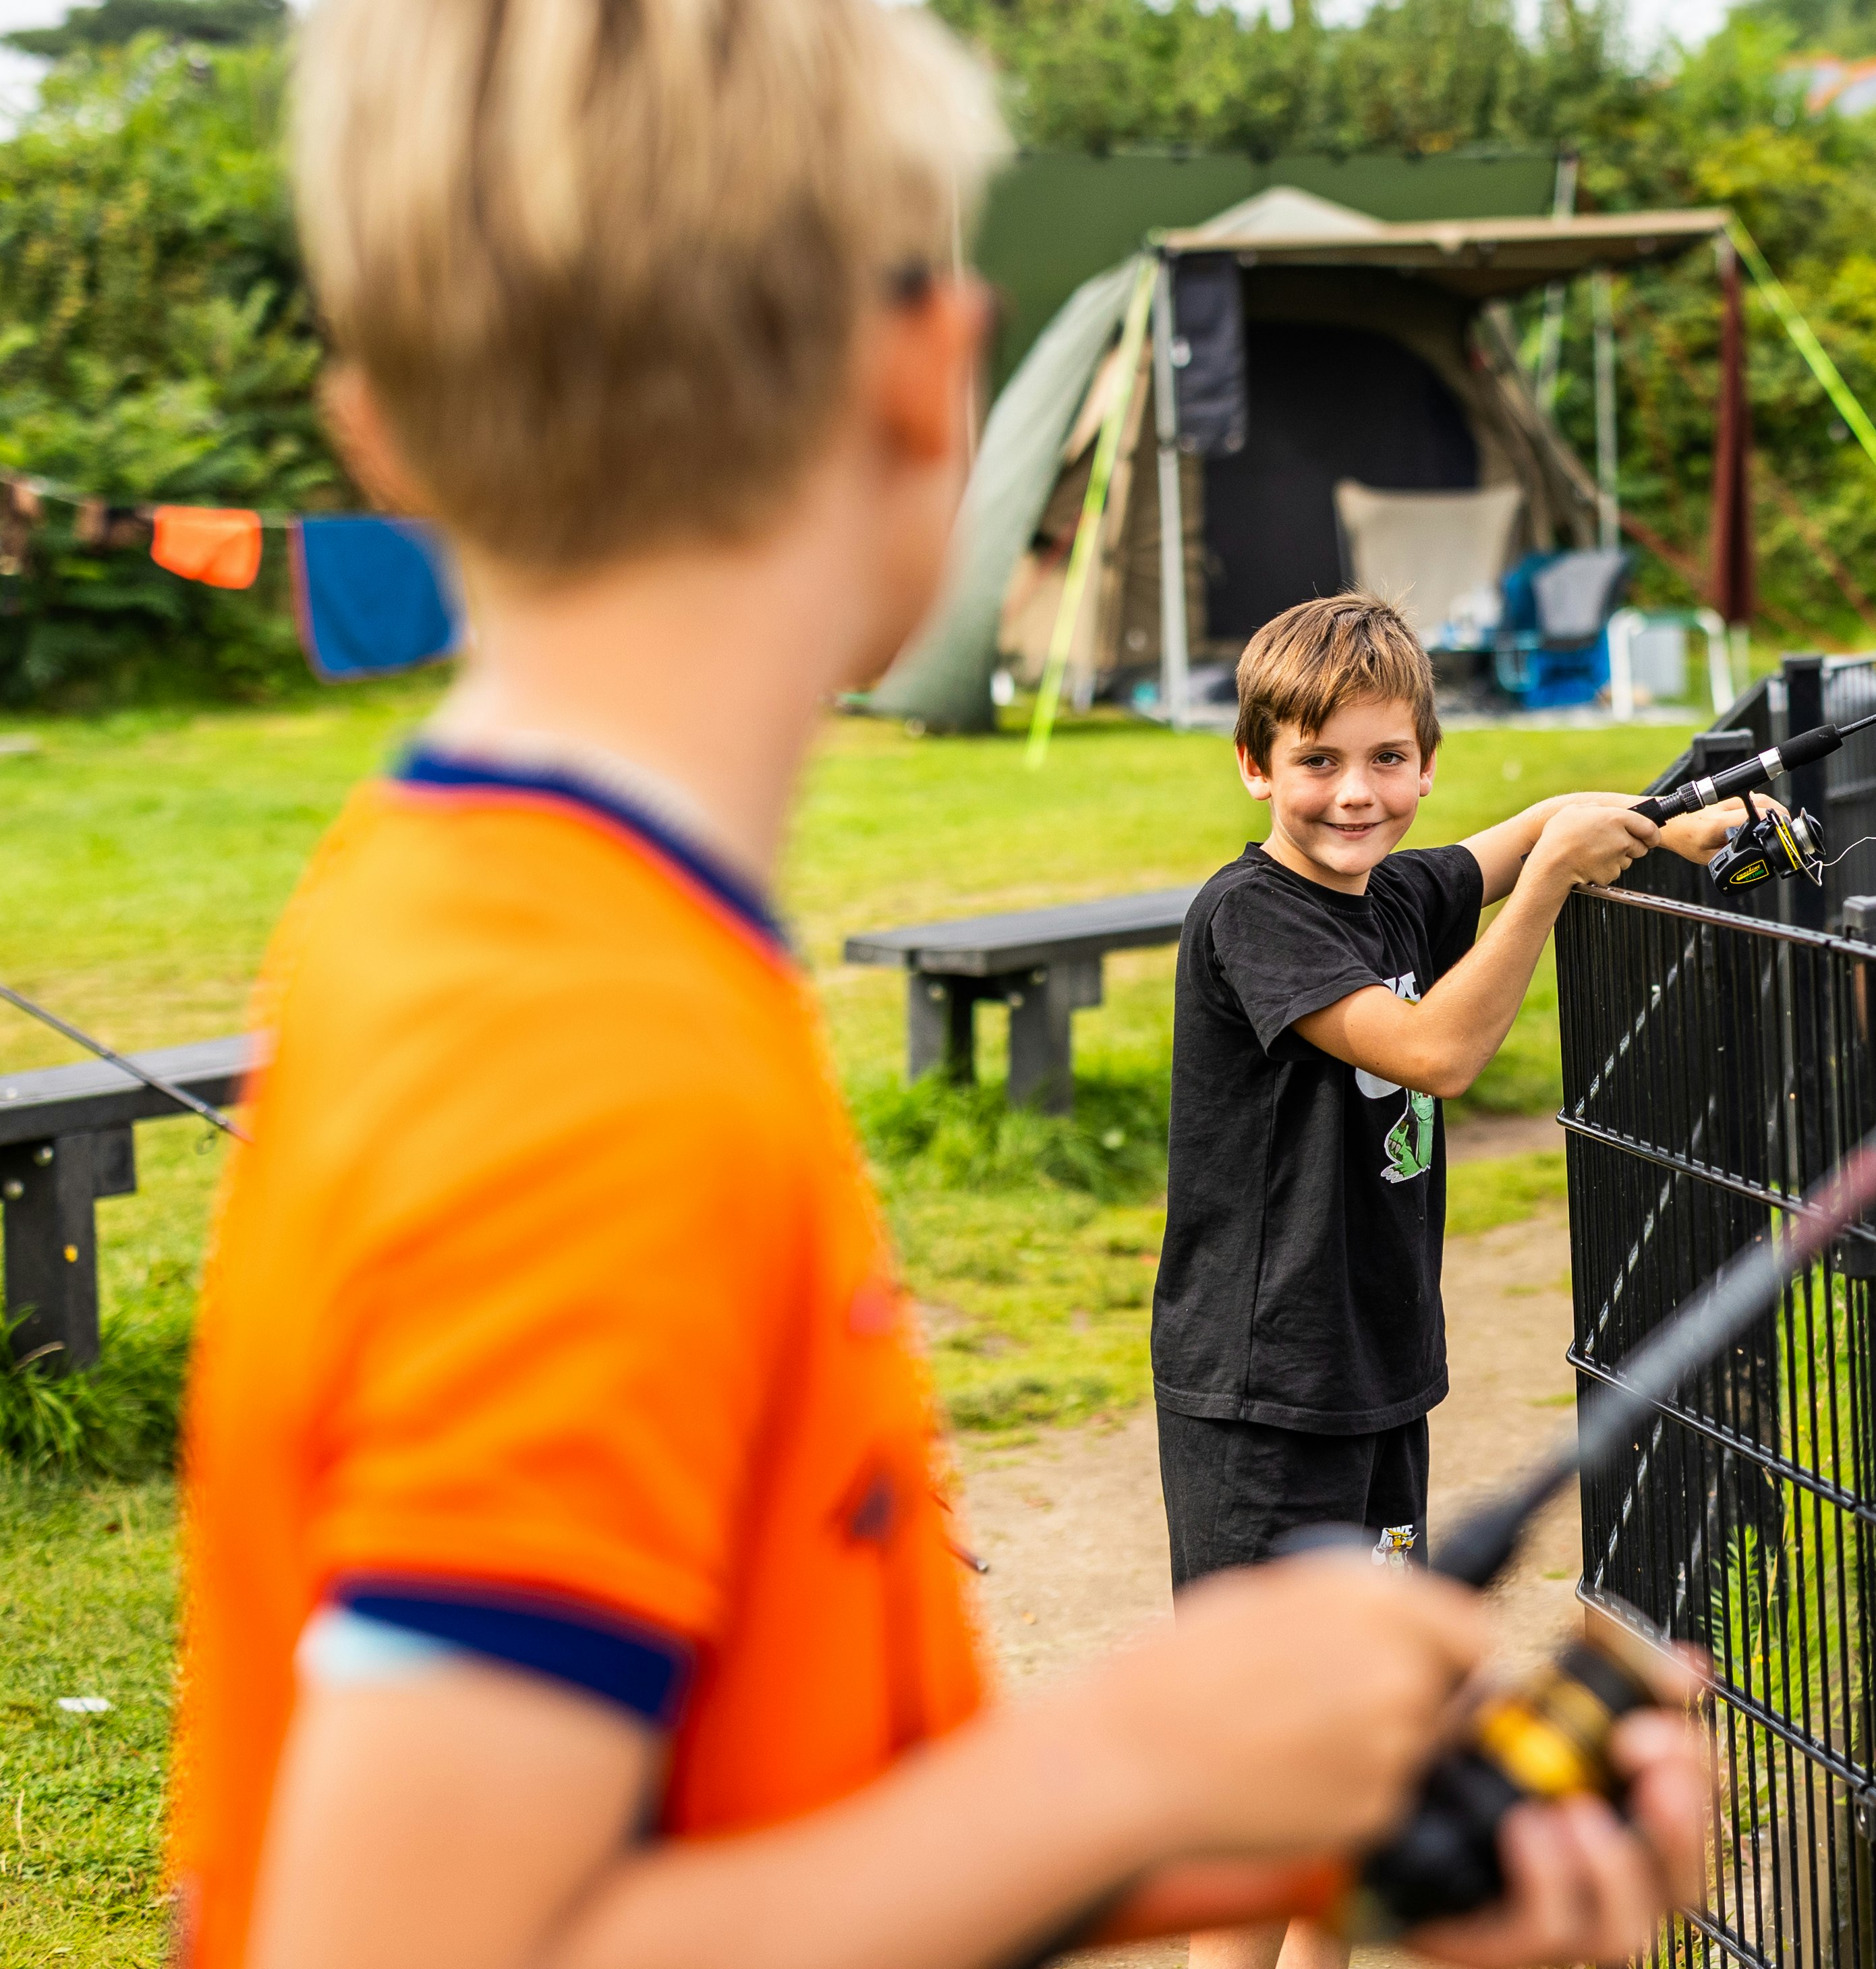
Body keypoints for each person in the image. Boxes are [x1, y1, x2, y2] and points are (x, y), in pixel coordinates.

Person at [170, 6, 1709, 1969]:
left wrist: (1290, 1839)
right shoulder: (578, 1065)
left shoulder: (498, 928)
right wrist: (1134, 1765)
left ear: (374, 422)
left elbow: (715, 1850)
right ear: (930, 387)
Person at [1156, 594, 1750, 1969]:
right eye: (1314, 762)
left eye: (1382, 760)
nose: (1351, 793)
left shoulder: (1401, 889)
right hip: (1264, 1397)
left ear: (1424, 764)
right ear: (1254, 765)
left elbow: (1544, 817)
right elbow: (1432, 1053)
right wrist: (1542, 893)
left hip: (1375, 1380)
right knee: (1264, 1778)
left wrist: (1668, 833)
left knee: (1364, 1753)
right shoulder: (1256, 917)